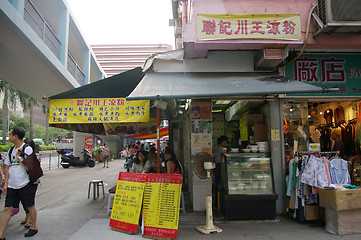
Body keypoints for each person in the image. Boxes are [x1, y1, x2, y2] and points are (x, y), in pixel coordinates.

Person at [0, 127, 39, 239]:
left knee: (29, 206)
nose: (9, 136)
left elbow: (30, 168)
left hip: (25, 184)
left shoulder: (27, 149)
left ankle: (34, 227)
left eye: (10, 134)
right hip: (12, 185)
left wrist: (19, 158)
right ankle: (1, 235)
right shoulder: (10, 150)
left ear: (15, 136)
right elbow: (6, 167)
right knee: (7, 209)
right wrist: (6, 183)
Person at [20, 139, 38, 228]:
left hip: (32, 181)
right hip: (23, 181)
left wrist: (21, 160)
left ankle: (30, 220)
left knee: (29, 201)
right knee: (24, 201)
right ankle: (27, 217)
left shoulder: (34, 156)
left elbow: (30, 168)